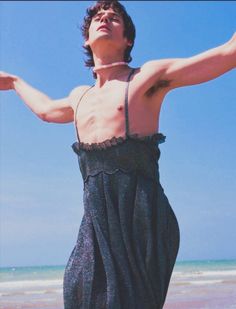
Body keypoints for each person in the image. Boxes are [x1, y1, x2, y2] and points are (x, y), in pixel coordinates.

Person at [0, 1, 235, 308]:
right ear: (86, 38)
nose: (105, 19)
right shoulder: (78, 96)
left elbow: (226, 55)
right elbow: (45, 110)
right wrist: (15, 82)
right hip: (96, 221)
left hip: (143, 217)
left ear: (128, 40)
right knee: (77, 291)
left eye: (114, 18)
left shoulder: (147, 77)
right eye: (99, 17)